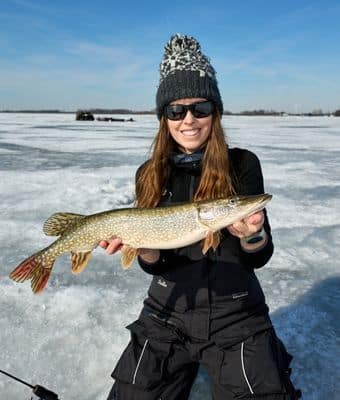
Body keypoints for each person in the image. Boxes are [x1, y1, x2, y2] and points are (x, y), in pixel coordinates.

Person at [101, 34, 301, 400]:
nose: (188, 120)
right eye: (176, 110)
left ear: (215, 112)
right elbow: (156, 264)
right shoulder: (149, 172)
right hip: (166, 312)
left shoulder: (242, 164)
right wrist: (144, 250)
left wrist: (250, 235)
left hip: (237, 313)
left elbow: (258, 256)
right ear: (165, 117)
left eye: (200, 108)